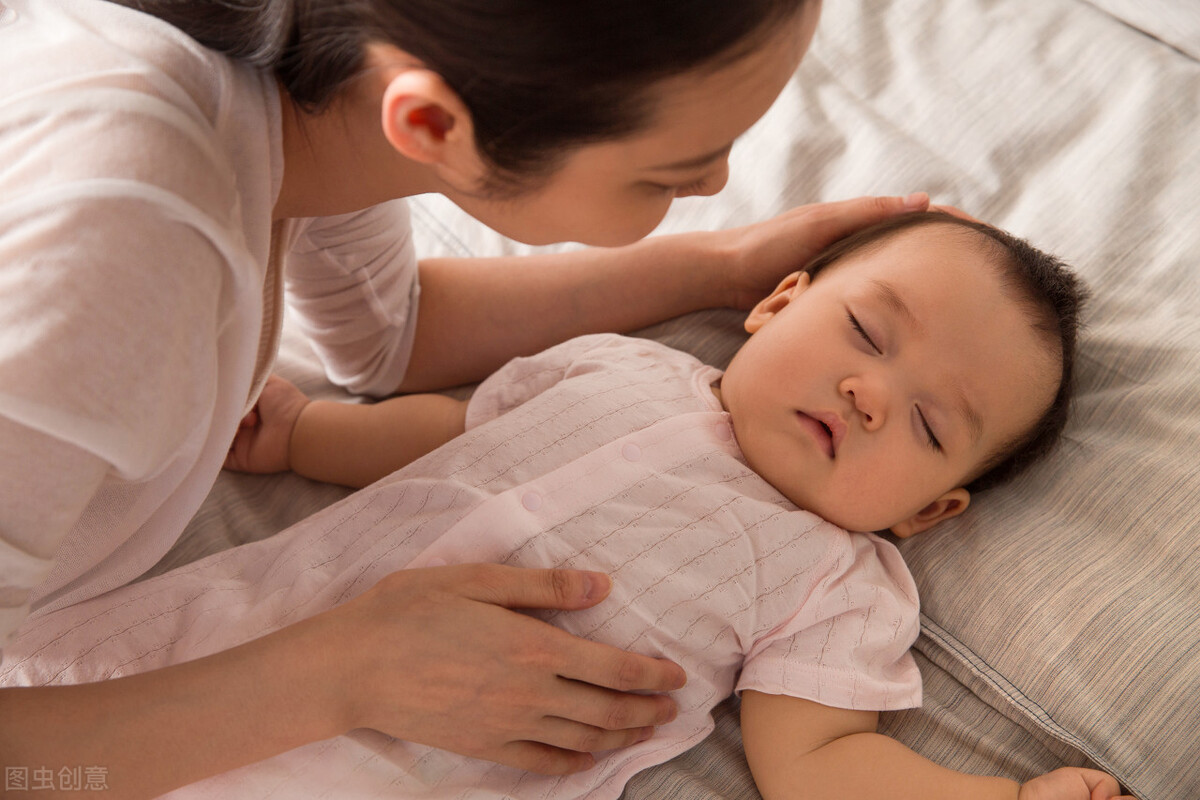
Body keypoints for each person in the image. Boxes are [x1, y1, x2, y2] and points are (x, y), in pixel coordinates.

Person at [0, 0, 954, 793]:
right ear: (434, 127)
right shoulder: (117, 242)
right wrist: (339, 676)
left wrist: (722, 266)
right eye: (670, 173)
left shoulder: (315, 85)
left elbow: (392, 334)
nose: (718, 182)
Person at [3, 213, 1128, 799]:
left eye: (932, 425)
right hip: (245, 637)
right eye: (865, 334)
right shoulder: (618, 368)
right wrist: (309, 434)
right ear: (777, 303)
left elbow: (822, 763)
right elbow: (455, 428)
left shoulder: (838, 579)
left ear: (931, 511)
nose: (872, 394)